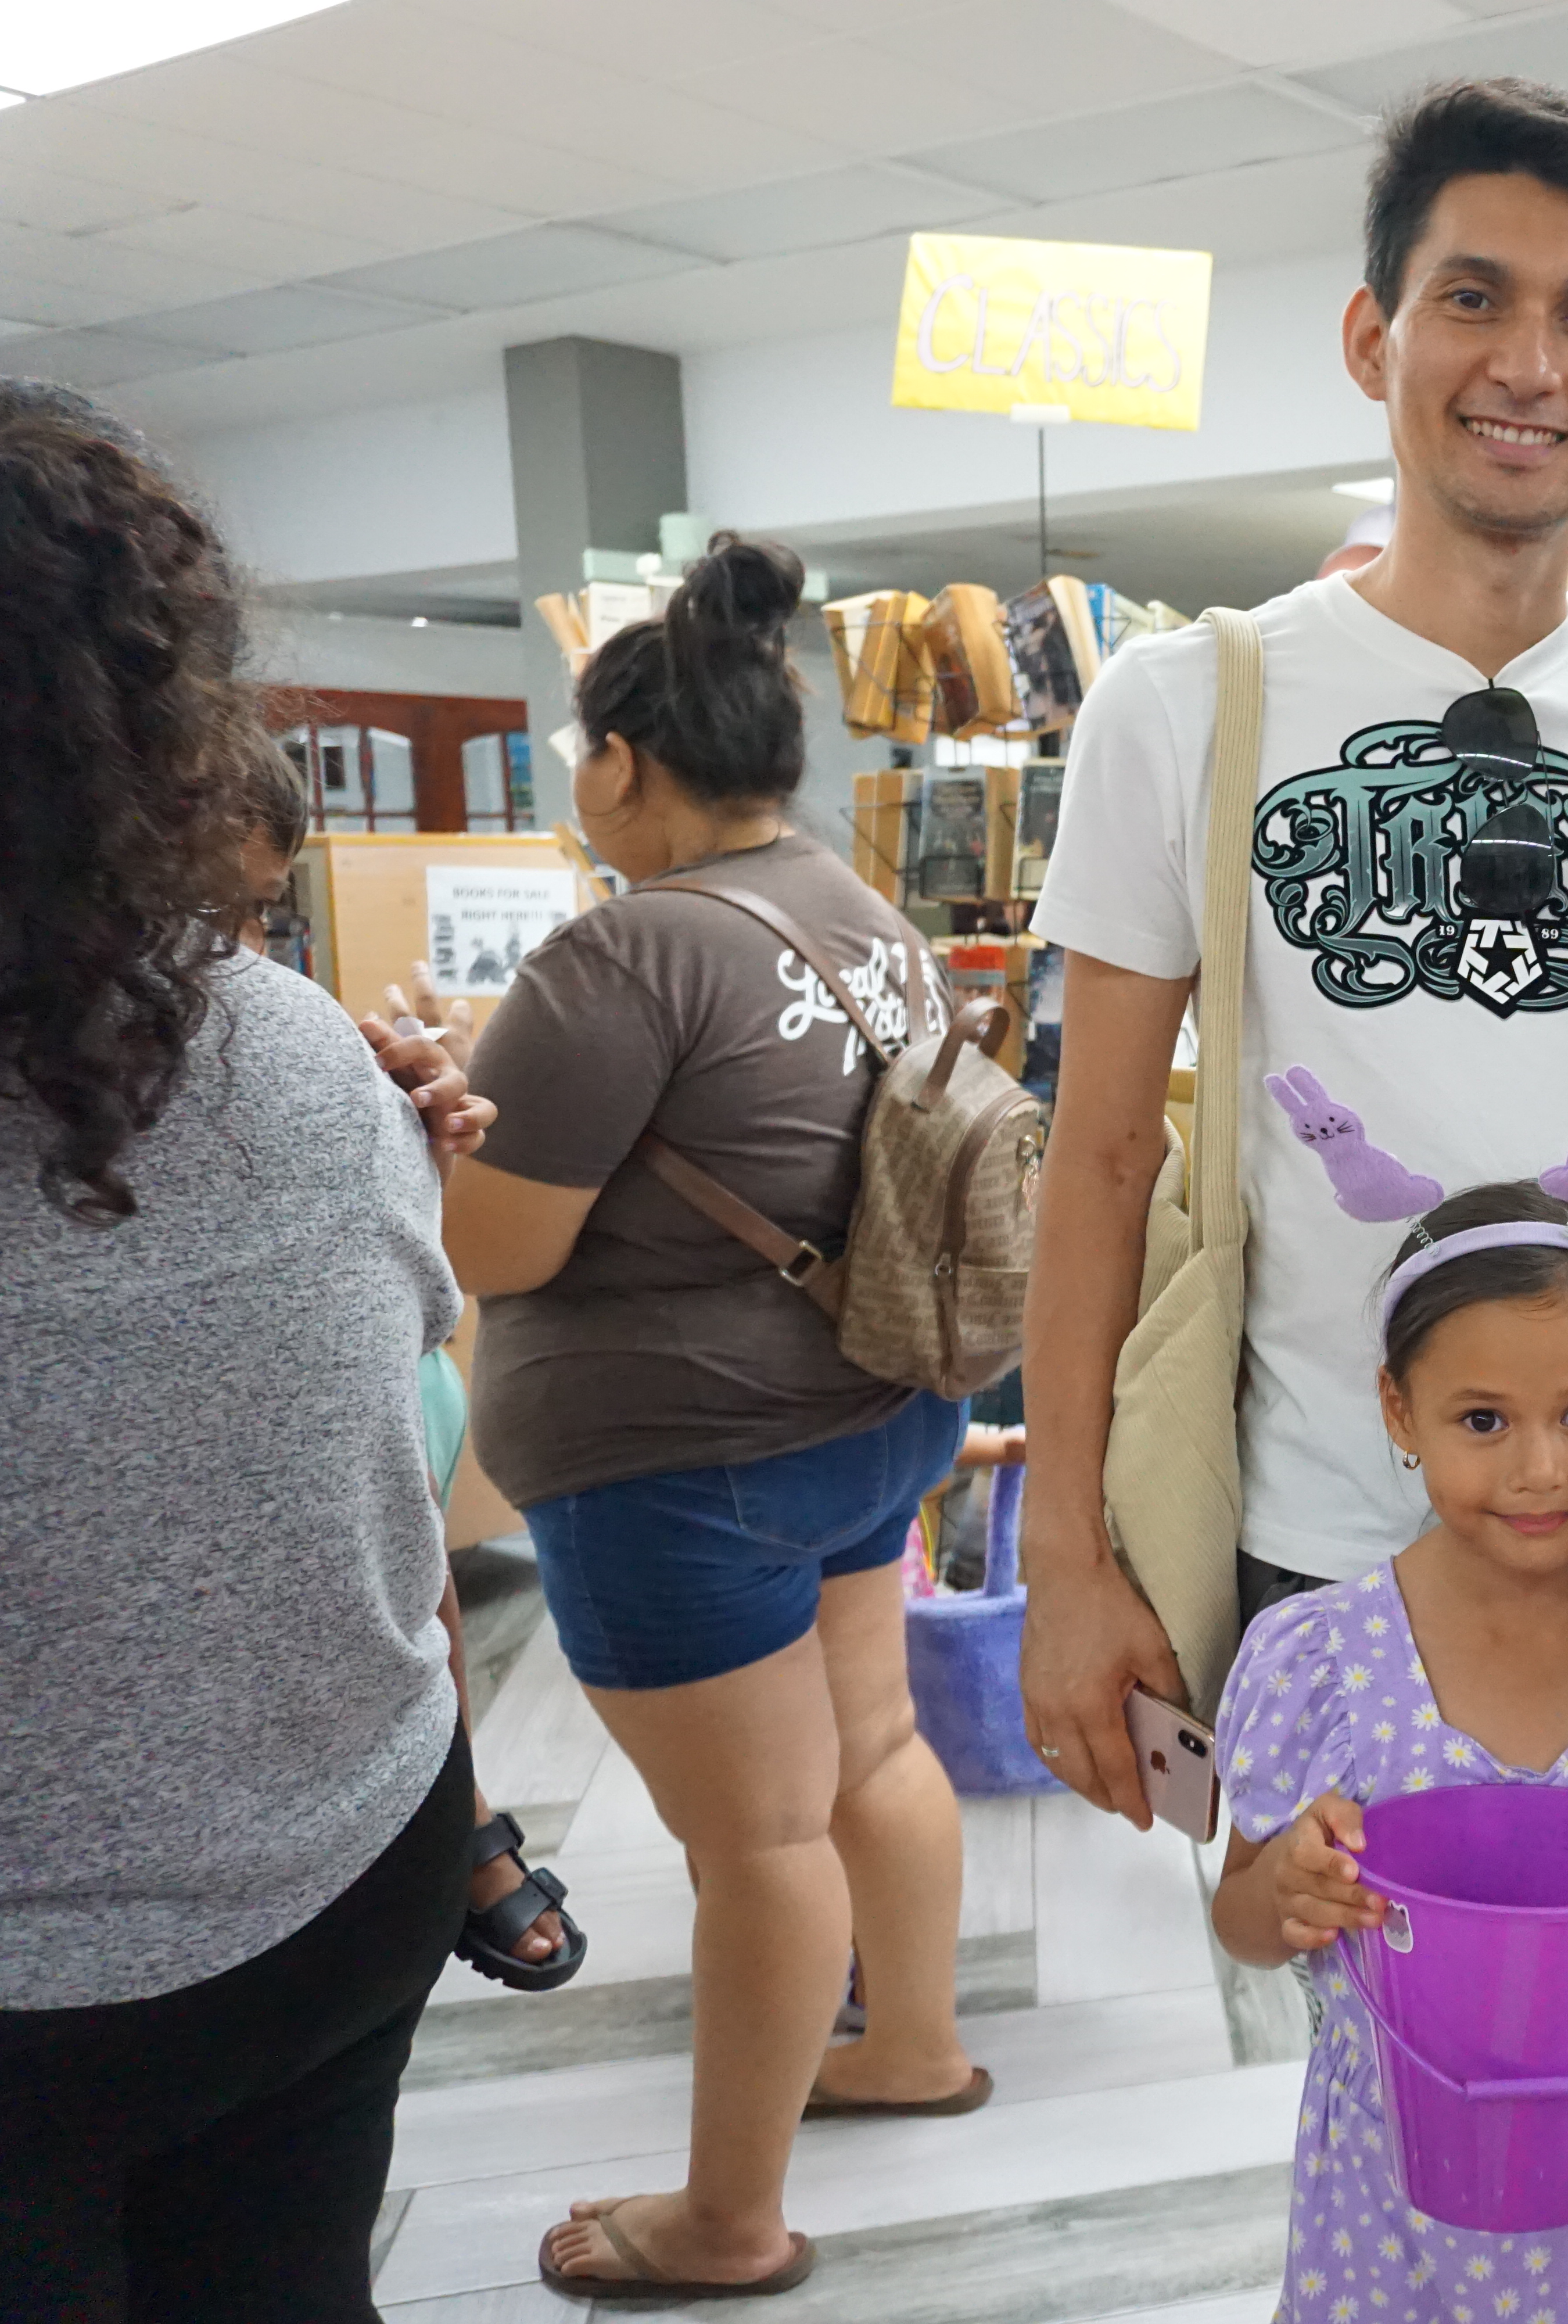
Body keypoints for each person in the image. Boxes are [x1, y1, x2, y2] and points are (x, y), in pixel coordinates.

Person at [1018, 76, 1568, 1810]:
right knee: (1381, 2031)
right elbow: (1104, 1156)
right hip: (1334, 1543)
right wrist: (1064, 1557)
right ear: (1374, 337)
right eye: (1472, 299)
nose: (1527, 365)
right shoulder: (1187, 703)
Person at [0, 379, 491, 2319]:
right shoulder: (292, 1045)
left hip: (19, 1996)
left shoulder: (306, 1047)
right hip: (342, 1878)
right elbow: (402, 1448)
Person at [439, 535, 980, 2301]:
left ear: (620, 762)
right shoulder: (858, 910)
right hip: (866, 1411)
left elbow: (494, 1245)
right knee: (874, 1755)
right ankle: (912, 2044)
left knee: (757, 1840)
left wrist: (447, 1114)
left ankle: (727, 2225)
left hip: (686, 1466)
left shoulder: (627, 959)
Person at [1208, 1171, 1568, 2323]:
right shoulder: (1322, 1655)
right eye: (1481, 1419)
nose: (1538, 1469)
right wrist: (1294, 1886)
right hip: (1389, 2206)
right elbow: (1246, 1921)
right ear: (1399, 1411)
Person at [219, 766, 586, 1992]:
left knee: (404, 1563)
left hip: (366, 1401)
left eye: (262, 912)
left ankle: (460, 1795)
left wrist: (408, 1118)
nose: (240, 956)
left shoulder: (287, 1040)